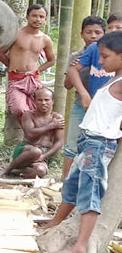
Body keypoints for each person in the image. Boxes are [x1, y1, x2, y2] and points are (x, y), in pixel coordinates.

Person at [42, 31, 122, 253]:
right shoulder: (113, 78)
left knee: (90, 191)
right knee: (72, 186)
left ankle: (81, 244)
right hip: (88, 141)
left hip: (99, 144)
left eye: (105, 56)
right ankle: (56, 221)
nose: (101, 61)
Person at [0, 4, 56, 143]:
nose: (38, 19)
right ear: (27, 16)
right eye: (34, 16)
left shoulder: (45, 39)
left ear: (45, 19)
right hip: (16, 80)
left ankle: (40, 141)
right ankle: (32, 137)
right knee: (19, 109)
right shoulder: (15, 34)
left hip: (34, 80)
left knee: (39, 110)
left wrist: (38, 70)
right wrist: (11, 65)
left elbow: (51, 60)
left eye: (41, 17)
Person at [61, 16, 106, 178]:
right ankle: (66, 180)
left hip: (103, 109)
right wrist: (76, 69)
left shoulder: (109, 55)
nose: (93, 36)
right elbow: (67, 85)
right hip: (81, 105)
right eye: (89, 32)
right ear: (81, 34)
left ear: (104, 34)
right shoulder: (76, 56)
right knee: (72, 145)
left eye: (97, 32)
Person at [0, 88, 64, 178]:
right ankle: (7, 169)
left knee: (40, 171)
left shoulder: (57, 118)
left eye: (47, 100)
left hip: (42, 154)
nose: (43, 103)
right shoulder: (29, 115)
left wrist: (44, 156)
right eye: (40, 100)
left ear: (52, 101)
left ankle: (15, 172)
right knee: (35, 151)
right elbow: (30, 133)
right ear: (34, 101)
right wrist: (51, 126)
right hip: (26, 150)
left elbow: (59, 142)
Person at [66, 14, 122, 110]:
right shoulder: (92, 48)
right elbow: (68, 83)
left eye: (118, 27)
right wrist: (84, 94)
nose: (113, 30)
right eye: (110, 27)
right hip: (87, 105)